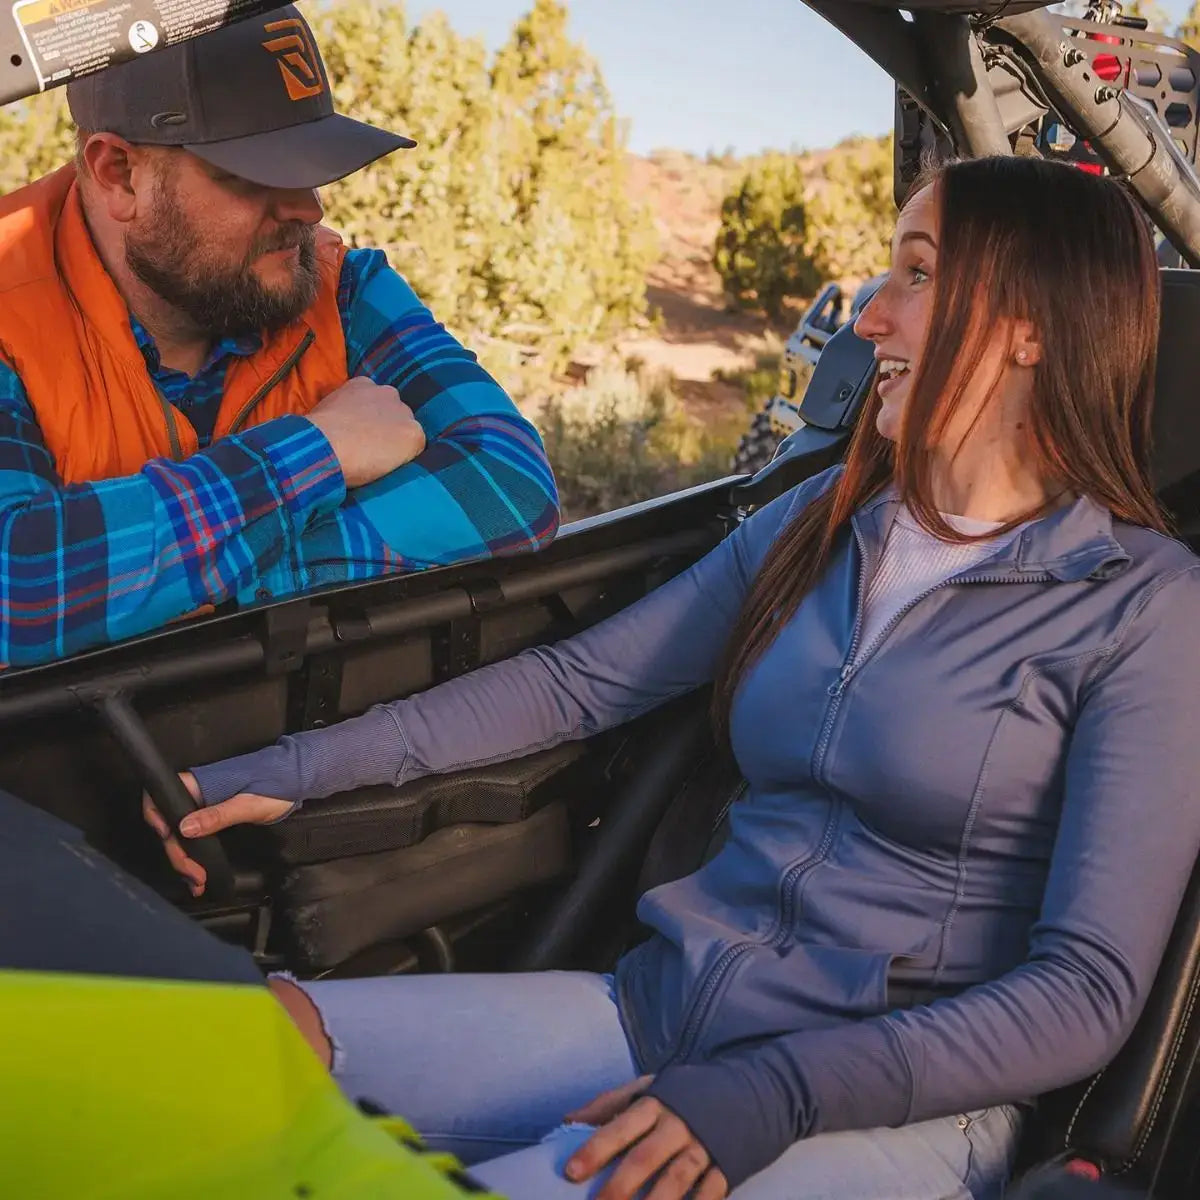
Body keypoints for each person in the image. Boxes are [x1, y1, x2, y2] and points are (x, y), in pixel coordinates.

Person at [146, 156, 1200, 1200]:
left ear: (1029, 326)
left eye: (918, 275)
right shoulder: (824, 521)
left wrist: (778, 1090)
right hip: (659, 1013)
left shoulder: (1142, 606)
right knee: (230, 1047)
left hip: (892, 1107)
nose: (871, 317)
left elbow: (1087, 990)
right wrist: (292, 768)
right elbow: (575, 683)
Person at [0, 6, 558, 668]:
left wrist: (190, 588)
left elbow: (509, 488)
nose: (308, 208)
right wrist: (321, 451)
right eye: (256, 170)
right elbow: (15, 586)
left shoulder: (339, 287)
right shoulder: (10, 314)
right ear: (119, 172)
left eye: (307, 162)